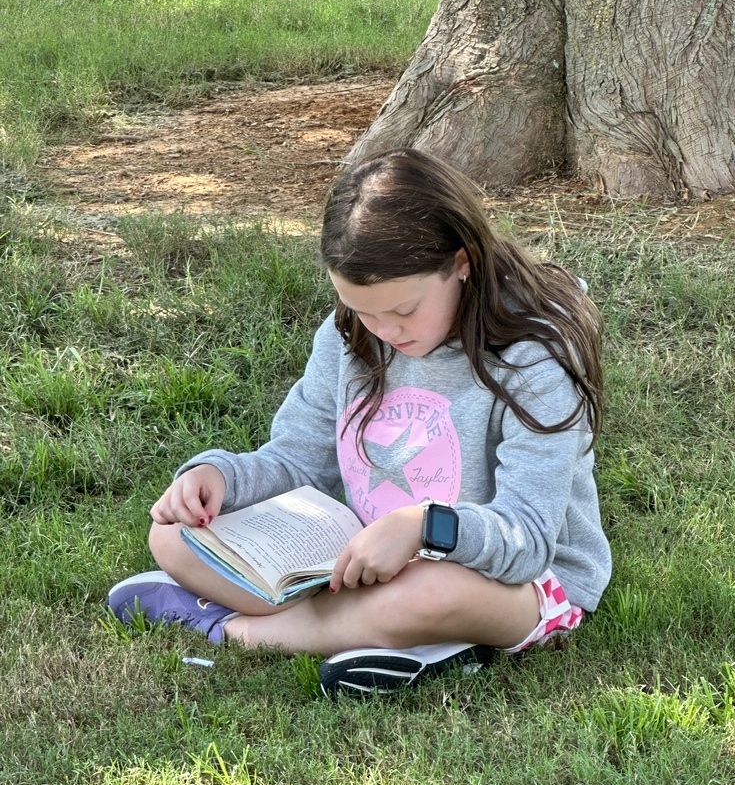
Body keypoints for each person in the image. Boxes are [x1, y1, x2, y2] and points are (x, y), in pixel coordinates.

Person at [108, 149, 611, 696]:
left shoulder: (535, 355)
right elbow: (299, 460)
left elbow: (529, 537)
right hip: (360, 558)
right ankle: (410, 641)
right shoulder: (349, 333)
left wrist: (422, 527)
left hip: (515, 581)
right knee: (174, 537)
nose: (383, 331)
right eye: (363, 310)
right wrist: (220, 480)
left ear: (461, 263)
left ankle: (233, 628)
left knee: (426, 595)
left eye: (403, 311)